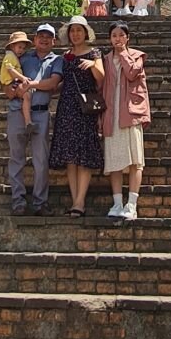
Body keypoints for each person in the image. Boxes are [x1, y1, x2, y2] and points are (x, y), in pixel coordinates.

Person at [4, 23, 64, 215]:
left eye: (48, 36)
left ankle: (40, 203)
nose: (44, 39)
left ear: (54, 41)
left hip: (41, 112)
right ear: (35, 38)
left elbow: (53, 83)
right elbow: (7, 82)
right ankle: (18, 201)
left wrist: (29, 85)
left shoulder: (57, 60)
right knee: (16, 158)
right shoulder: (22, 56)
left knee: (41, 160)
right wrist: (13, 91)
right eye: (41, 36)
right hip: (17, 111)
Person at [49, 15, 104, 216]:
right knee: (70, 156)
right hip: (67, 106)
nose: (75, 34)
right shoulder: (65, 56)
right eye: (72, 31)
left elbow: (101, 79)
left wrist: (92, 65)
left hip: (86, 107)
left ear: (86, 32)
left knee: (84, 154)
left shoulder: (94, 53)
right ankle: (75, 201)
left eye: (79, 30)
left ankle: (80, 201)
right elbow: (63, 82)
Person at [101, 21, 151, 220]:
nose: (118, 39)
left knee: (135, 161)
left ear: (127, 38)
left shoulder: (137, 56)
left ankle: (132, 204)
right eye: (114, 35)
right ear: (110, 38)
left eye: (122, 35)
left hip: (131, 114)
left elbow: (131, 73)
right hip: (111, 114)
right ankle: (117, 203)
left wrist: (122, 53)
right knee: (114, 161)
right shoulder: (105, 59)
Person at [0, 31, 35, 133]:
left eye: (23, 48)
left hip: (13, 82)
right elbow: (10, 70)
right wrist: (23, 78)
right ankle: (28, 121)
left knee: (27, 96)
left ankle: (28, 122)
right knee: (27, 94)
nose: (21, 50)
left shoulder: (15, 57)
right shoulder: (10, 57)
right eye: (19, 47)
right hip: (11, 82)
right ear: (12, 46)